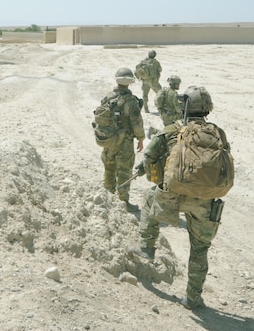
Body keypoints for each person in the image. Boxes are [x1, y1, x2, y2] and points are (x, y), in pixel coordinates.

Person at [136, 86, 225, 310]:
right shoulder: (217, 133)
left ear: (184, 105)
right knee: (199, 249)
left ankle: (146, 246)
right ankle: (193, 298)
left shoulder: (173, 129)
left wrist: (157, 180)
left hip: (172, 196)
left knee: (148, 198)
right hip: (204, 201)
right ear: (208, 108)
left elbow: (149, 157)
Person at [96, 67, 145, 208]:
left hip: (109, 139)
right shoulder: (131, 101)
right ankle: (123, 201)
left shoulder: (108, 97)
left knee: (109, 165)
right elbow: (137, 123)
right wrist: (141, 139)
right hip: (125, 141)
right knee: (124, 169)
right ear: (130, 82)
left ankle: (108, 195)